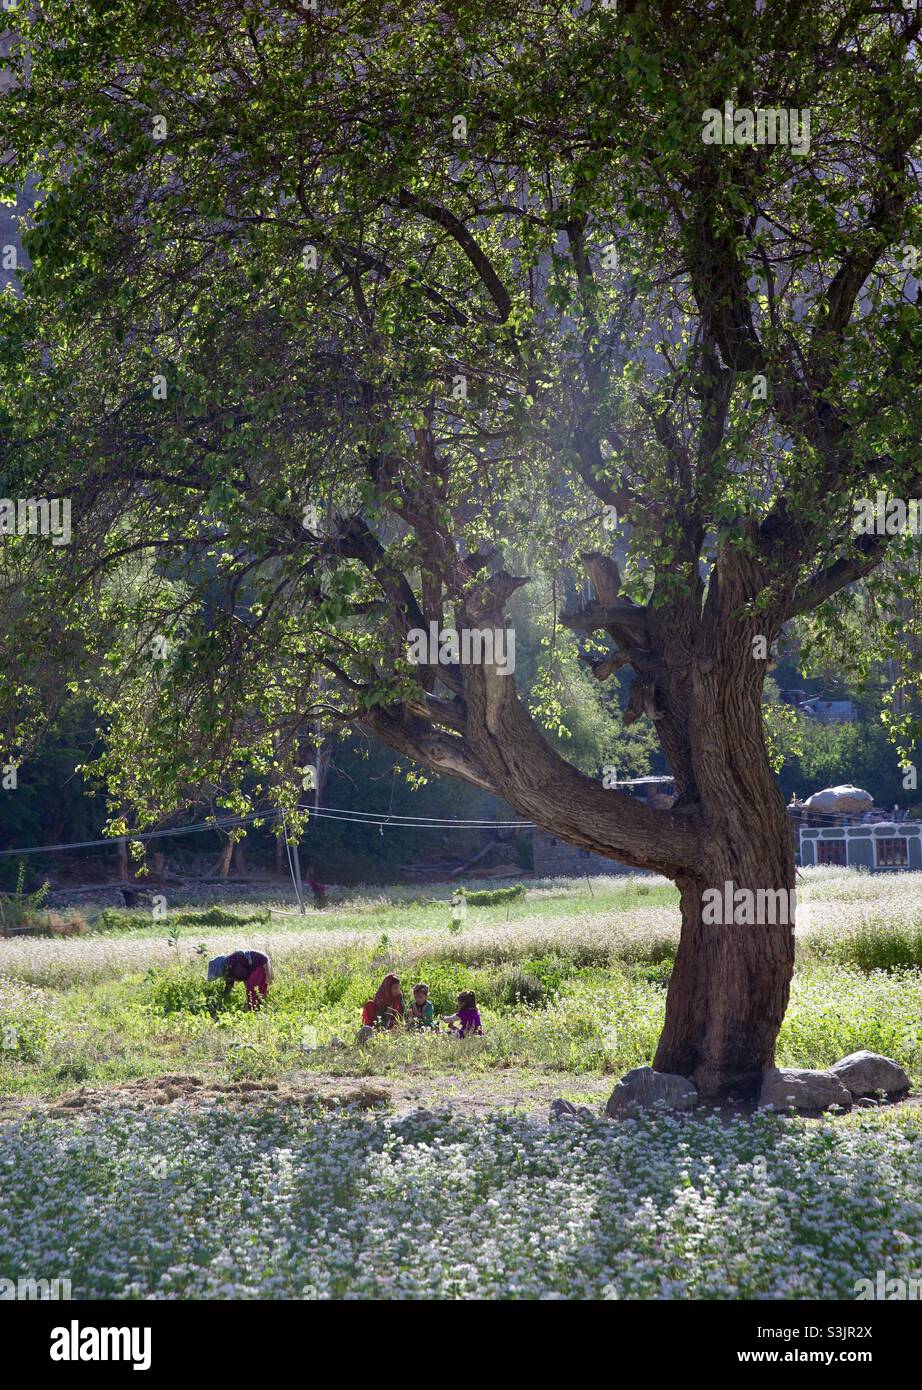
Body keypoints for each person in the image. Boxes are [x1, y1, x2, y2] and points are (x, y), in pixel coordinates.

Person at [207, 949, 274, 1011]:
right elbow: (229, 984)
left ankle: (253, 1009)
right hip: (258, 963)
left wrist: (248, 990)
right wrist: (224, 995)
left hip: (259, 963)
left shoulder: (232, 964)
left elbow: (246, 975)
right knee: (256, 990)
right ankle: (259, 1007)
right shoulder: (228, 966)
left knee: (252, 988)